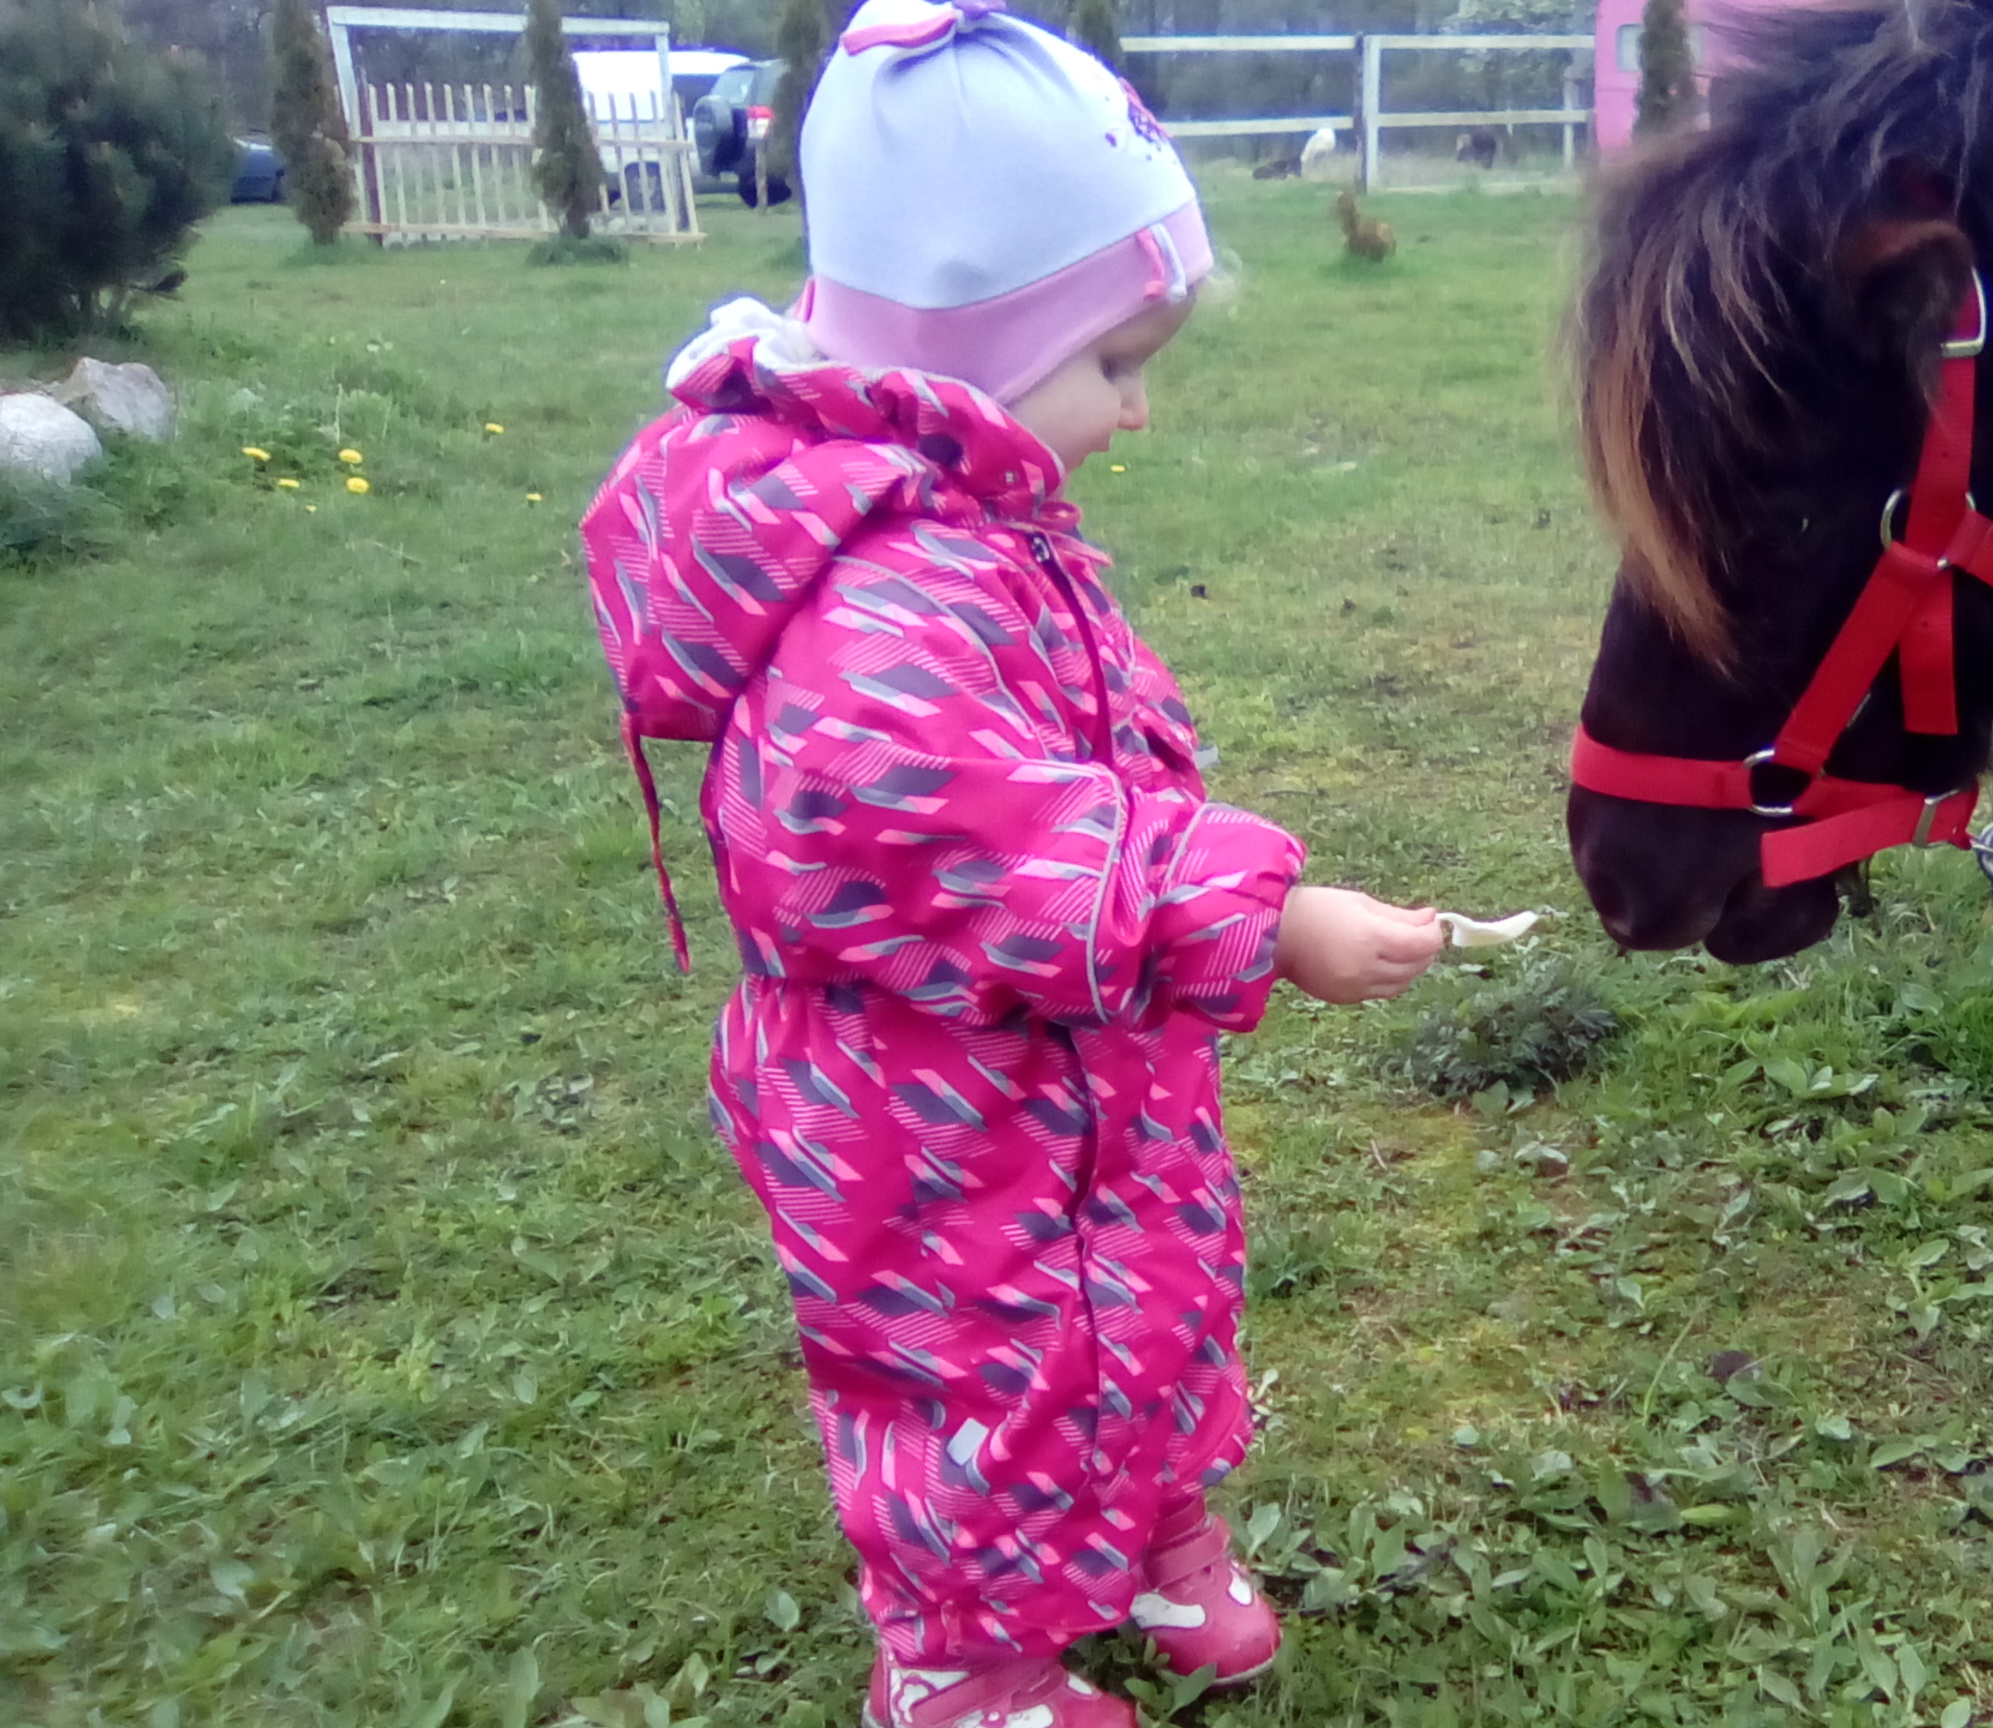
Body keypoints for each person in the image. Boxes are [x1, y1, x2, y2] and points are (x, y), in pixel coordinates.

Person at [577, 4, 1445, 1723]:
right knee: (974, 1378)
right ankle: (966, 1670)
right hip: (931, 1120)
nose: (1135, 415)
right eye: (1114, 365)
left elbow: (1078, 772)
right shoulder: (873, 591)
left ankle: (1142, 1531)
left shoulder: (973, 524)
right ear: (975, 337)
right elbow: (967, 836)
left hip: (1085, 1059)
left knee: (1153, 1300)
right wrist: (1257, 914)